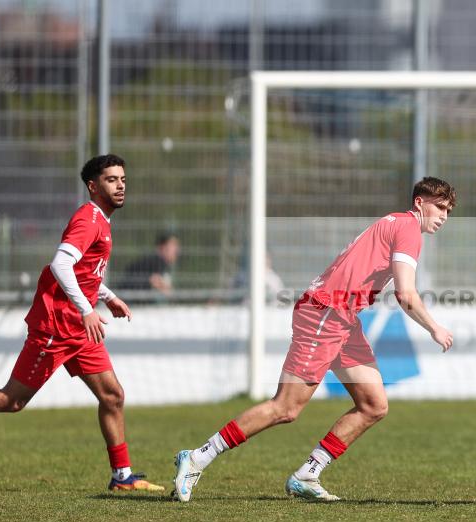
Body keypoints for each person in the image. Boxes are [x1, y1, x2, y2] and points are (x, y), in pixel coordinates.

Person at [172, 177, 457, 502]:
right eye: (439, 207)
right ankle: (197, 457)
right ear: (420, 203)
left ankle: (307, 474)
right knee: (286, 408)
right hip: (325, 312)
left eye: (448, 210)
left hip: (342, 318)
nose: (444, 216)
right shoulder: (408, 228)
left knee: (374, 405)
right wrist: (434, 327)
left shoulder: (395, 224)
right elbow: (406, 294)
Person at [0, 154, 164, 492]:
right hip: (56, 325)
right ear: (93, 186)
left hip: (78, 326)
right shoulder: (89, 219)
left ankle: (122, 477)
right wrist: (87, 309)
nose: (120, 185)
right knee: (12, 400)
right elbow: (61, 265)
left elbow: (83, 271)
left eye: (123, 179)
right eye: (111, 180)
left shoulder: (102, 220)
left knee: (113, 396)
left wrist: (107, 297)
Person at [120, 232, 180, 299]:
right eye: (173, 245)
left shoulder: (158, 262)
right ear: (162, 247)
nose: (177, 249)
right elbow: (159, 284)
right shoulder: (155, 262)